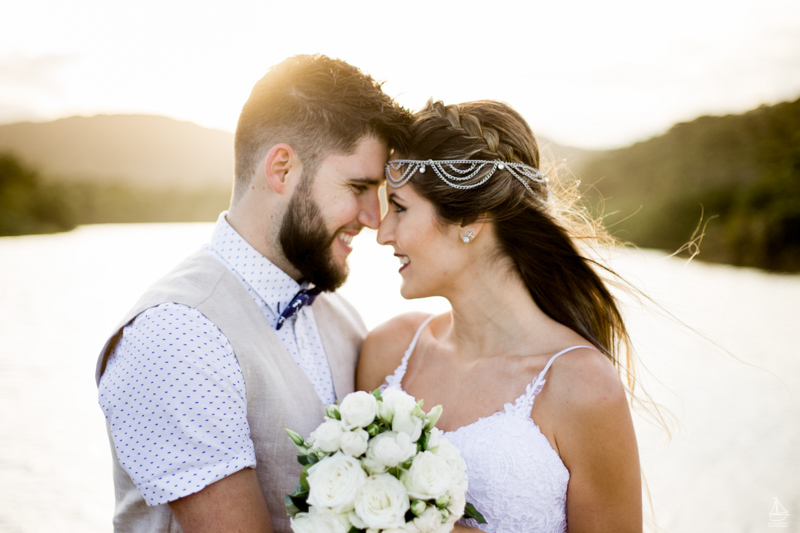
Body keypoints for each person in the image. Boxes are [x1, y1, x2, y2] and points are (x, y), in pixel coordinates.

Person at [95, 54, 410, 532]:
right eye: (358, 187)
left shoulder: (340, 316)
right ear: (282, 169)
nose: (374, 217)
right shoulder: (176, 332)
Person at [358, 100, 642, 532]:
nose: (382, 234)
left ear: (470, 217)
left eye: (399, 207)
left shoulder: (581, 386)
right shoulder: (388, 350)